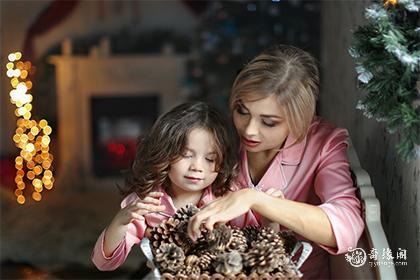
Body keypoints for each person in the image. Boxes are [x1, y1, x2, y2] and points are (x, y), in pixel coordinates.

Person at [187, 45, 364, 279]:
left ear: (300, 119)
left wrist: (255, 199)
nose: (249, 130)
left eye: (269, 122)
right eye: (242, 111)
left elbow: (345, 226)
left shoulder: (323, 144)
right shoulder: (218, 138)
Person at [91, 101, 255, 271]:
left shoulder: (230, 198)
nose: (197, 167)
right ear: (165, 152)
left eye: (210, 159)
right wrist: (120, 221)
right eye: (186, 155)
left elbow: (259, 249)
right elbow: (104, 263)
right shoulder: (147, 202)